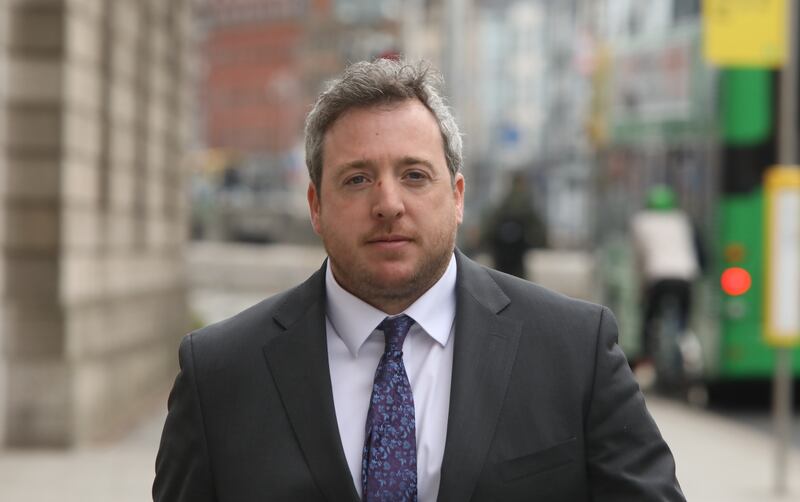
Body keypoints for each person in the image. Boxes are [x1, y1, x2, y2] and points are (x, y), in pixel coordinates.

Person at [154, 59, 685, 502]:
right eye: (357, 179)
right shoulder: (219, 375)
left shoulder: (575, 350)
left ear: (456, 197)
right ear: (316, 206)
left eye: (414, 175)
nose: (388, 204)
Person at [630, 185, 701, 372]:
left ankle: (647, 364)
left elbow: (640, 256)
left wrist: (640, 283)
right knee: (684, 322)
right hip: (685, 275)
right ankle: (689, 359)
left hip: (658, 275)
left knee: (650, 321)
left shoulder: (641, 221)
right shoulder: (681, 219)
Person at [482, 170, 547, 278]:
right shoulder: (525, 202)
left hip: (502, 249)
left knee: (501, 277)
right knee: (517, 278)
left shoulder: (505, 201)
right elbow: (535, 225)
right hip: (518, 248)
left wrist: (486, 241)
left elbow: (492, 223)